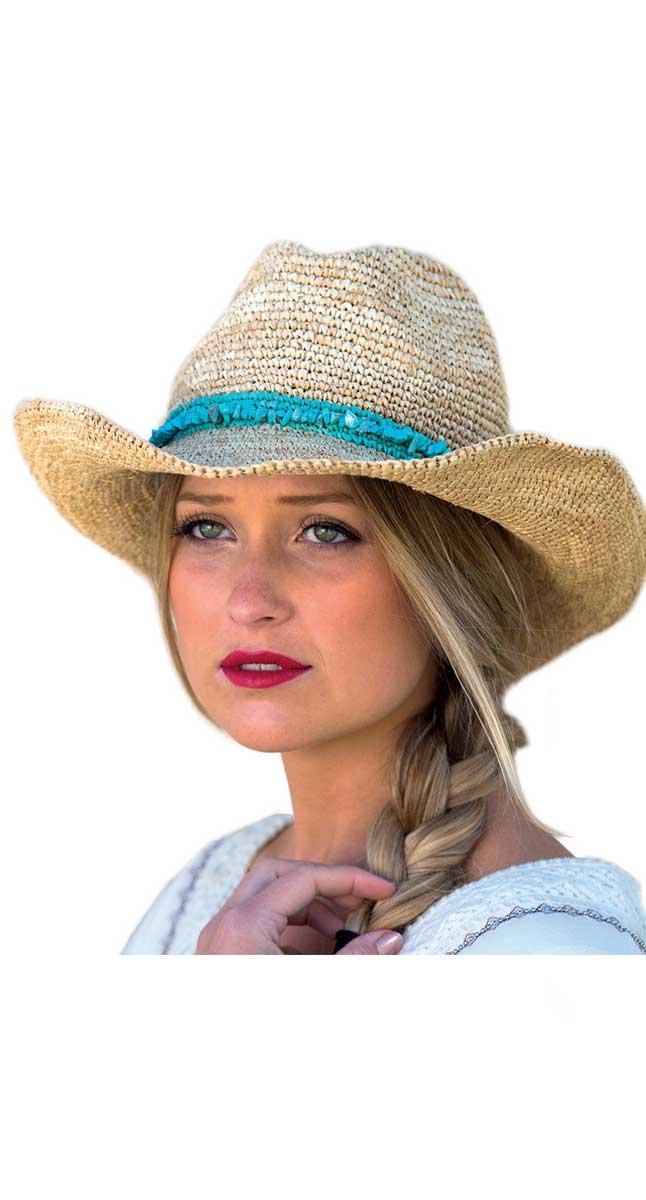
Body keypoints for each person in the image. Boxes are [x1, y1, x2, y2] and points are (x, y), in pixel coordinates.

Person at [13, 239, 646, 955]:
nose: (249, 600)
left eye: (325, 531)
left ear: (449, 580)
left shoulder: (548, 951)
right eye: (208, 527)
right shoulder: (204, 896)